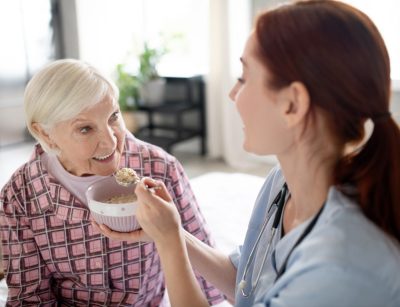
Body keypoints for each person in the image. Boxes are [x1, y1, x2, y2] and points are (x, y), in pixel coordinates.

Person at [97, 1, 400, 306]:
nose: (232, 93)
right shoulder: (283, 182)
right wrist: (172, 231)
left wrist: (169, 244)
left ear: (292, 104)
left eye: (243, 77)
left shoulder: (341, 268)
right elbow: (245, 285)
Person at [0, 59, 225, 306]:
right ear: (45, 133)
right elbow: (31, 298)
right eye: (85, 129)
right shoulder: (19, 196)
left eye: (113, 116)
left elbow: (209, 276)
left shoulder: (161, 168)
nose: (110, 142)